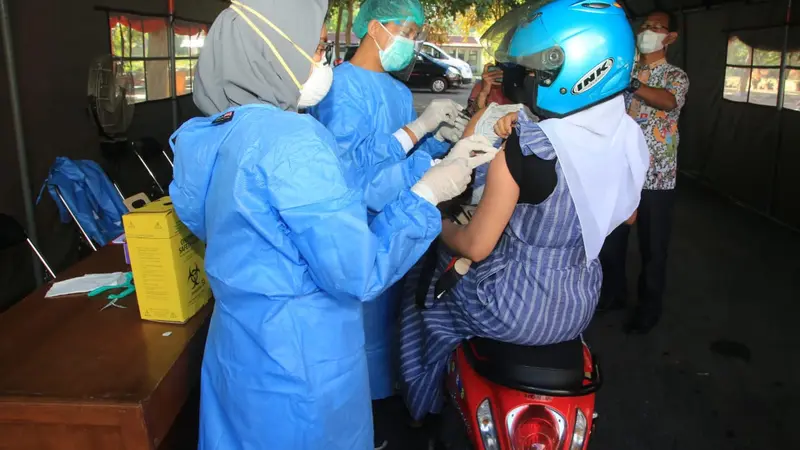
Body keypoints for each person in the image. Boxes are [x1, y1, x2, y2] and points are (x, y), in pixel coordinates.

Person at [167, 1, 499, 449]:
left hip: (240, 354)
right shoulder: (292, 142)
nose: (324, 60)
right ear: (273, 53)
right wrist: (425, 196)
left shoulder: (209, 134)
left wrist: (420, 150)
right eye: (316, 47)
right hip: (300, 365)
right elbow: (359, 270)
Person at [397, 0, 649, 422]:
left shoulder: (527, 146)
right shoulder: (626, 137)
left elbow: (476, 246)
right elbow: (627, 217)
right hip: (578, 304)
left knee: (421, 288)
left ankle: (422, 405)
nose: (528, 80)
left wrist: (435, 222)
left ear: (572, 73)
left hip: (512, 307)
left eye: (536, 72)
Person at [309, 0, 471, 406]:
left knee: (394, 325)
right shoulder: (337, 88)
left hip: (404, 224)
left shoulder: (398, 90)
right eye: (407, 32)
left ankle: (392, 395)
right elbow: (354, 178)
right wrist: (428, 166)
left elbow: (400, 149)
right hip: (360, 230)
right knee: (361, 337)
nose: (411, 44)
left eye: (416, 35)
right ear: (374, 27)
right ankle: (364, 410)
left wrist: (440, 139)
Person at [598, 9, 689, 334]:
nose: (648, 31)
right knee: (612, 241)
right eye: (646, 25)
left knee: (653, 247)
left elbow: (667, 102)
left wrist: (631, 83)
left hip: (656, 178)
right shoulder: (627, 71)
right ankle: (614, 295)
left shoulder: (675, 76)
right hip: (620, 172)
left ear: (670, 37)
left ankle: (649, 310)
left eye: (656, 27)